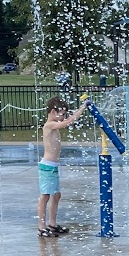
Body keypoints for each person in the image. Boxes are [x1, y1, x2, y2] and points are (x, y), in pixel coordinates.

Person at [37, 94, 87, 237]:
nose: (63, 117)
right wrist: (81, 108)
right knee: (45, 196)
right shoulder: (49, 125)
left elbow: (64, 122)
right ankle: (41, 226)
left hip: (52, 167)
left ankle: (52, 224)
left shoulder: (54, 125)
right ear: (53, 112)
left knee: (56, 195)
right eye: (62, 114)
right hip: (46, 167)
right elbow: (67, 123)